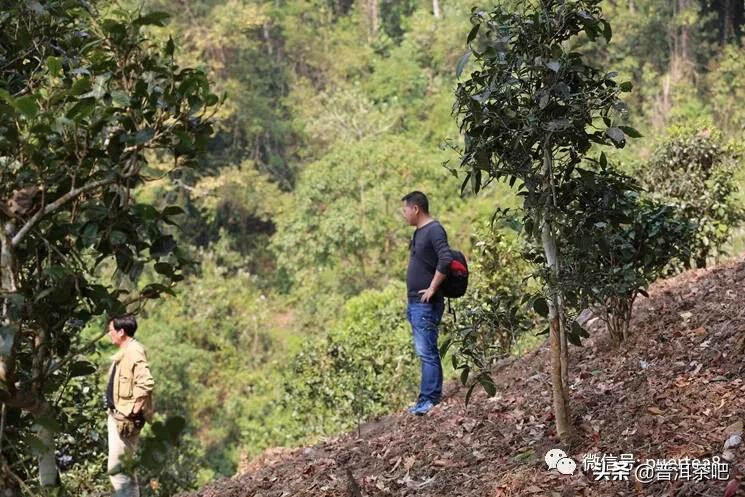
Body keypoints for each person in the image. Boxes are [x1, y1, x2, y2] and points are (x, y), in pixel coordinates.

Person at [401, 191, 453, 416]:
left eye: (405, 209)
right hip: (415, 302)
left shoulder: (434, 230)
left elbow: (446, 258)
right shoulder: (419, 233)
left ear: (416, 209)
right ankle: (427, 396)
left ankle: (430, 398)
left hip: (426, 303)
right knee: (425, 351)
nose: (403, 214)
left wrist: (432, 288)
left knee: (427, 352)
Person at [105, 314, 155, 497]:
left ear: (121, 331)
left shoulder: (134, 351)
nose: (109, 334)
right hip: (117, 416)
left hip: (125, 418)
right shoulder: (125, 350)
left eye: (111, 331)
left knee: (117, 470)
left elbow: (146, 383)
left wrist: (133, 412)